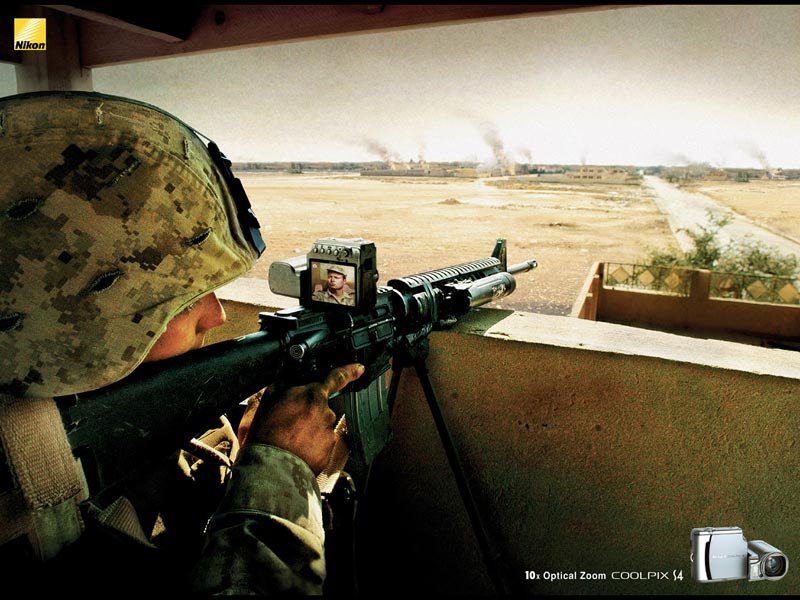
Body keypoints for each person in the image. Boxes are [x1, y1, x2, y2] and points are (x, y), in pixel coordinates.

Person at [0, 90, 362, 595]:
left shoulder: (68, 435)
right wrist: (279, 471)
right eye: (182, 299)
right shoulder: (21, 487)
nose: (216, 315)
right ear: (76, 323)